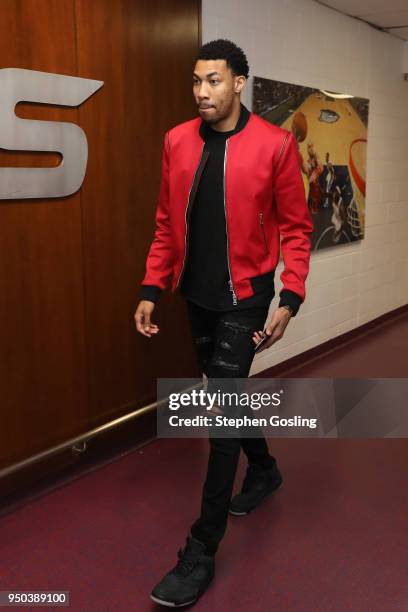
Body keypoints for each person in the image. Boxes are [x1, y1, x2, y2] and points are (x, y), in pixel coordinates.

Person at [134, 39, 313, 608]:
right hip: (198, 294)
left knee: (219, 411)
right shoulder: (177, 142)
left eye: (213, 80)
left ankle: (200, 549)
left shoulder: (275, 145)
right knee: (223, 392)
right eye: (196, 81)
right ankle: (264, 468)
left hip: (247, 296)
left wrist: (291, 296)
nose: (201, 92)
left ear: (239, 83)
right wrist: (151, 287)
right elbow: (166, 222)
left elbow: (296, 229)